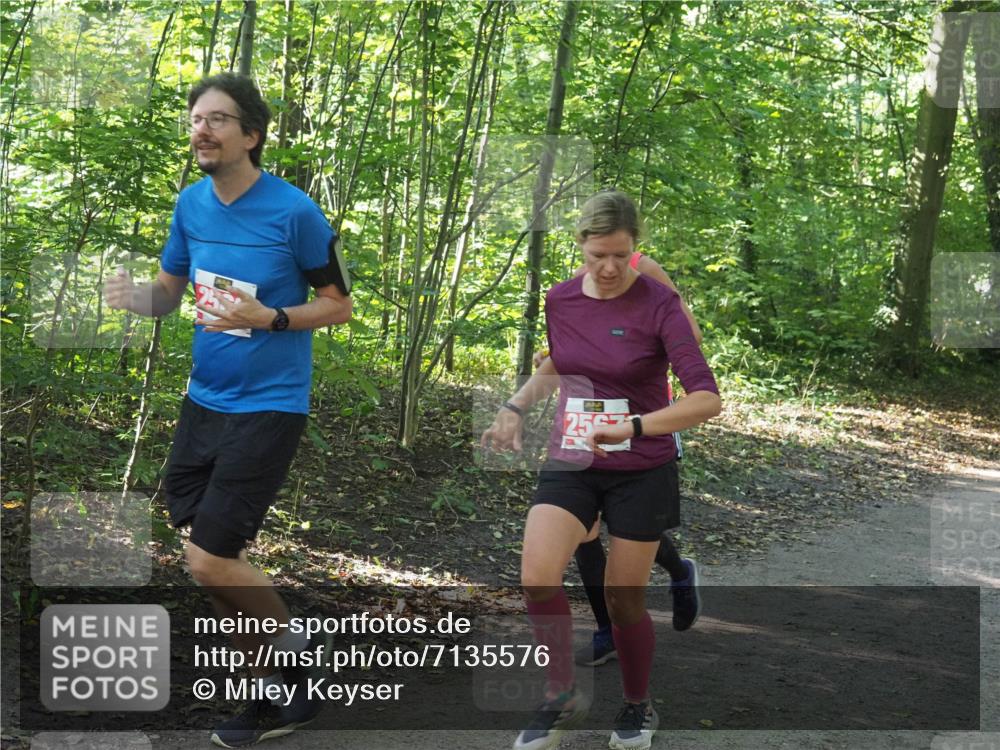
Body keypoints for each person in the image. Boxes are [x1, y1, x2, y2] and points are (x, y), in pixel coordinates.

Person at [104, 73, 352, 748]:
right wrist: (134, 298)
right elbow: (168, 292)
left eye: (217, 119)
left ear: (252, 135)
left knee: (210, 560)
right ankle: (279, 693)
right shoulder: (191, 204)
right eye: (196, 120)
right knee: (215, 564)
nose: (201, 130)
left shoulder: (295, 212)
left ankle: (297, 653)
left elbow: (338, 305)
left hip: (269, 407)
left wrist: (272, 317)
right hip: (203, 402)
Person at [482, 190, 721, 750]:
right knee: (537, 576)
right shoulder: (561, 299)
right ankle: (560, 695)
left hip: (641, 467)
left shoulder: (659, 303)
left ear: (635, 247)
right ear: (581, 247)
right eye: (597, 256)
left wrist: (633, 426)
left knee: (621, 598)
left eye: (620, 255)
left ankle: (638, 704)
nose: (609, 268)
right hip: (573, 458)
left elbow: (706, 399)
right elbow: (559, 364)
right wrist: (514, 408)